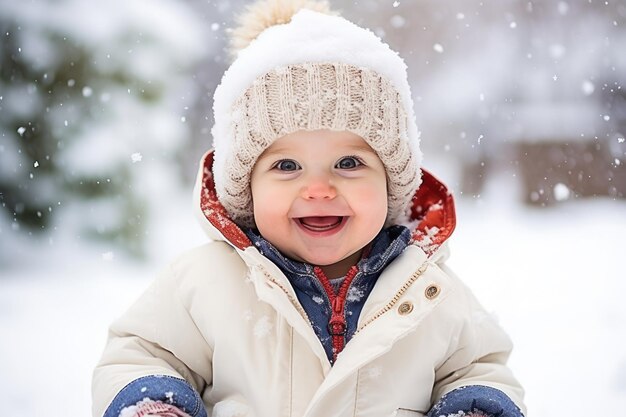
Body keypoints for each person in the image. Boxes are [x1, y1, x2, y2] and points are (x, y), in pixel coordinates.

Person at [92, 1, 527, 416]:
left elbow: (477, 368)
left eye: (349, 163)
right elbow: (141, 355)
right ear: (247, 189)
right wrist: (155, 404)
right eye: (286, 165)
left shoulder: (426, 288)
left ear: (392, 184)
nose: (318, 188)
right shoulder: (204, 283)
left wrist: (474, 406)